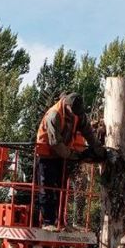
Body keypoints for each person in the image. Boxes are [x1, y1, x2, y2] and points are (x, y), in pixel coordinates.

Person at [35, 93, 106, 230]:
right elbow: (55, 143)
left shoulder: (78, 114)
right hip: (46, 155)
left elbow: (89, 133)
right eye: (73, 112)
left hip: (63, 155)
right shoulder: (54, 115)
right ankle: (48, 222)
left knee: (62, 189)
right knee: (47, 189)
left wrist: (98, 150)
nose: (75, 115)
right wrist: (74, 155)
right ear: (66, 105)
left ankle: (61, 222)